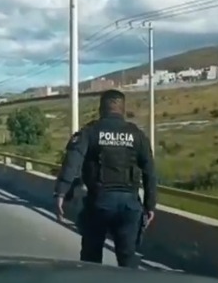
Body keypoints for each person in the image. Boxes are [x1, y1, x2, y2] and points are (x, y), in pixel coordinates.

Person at [53, 89, 157, 268]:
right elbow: (150, 170)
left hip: (99, 203)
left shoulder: (90, 132)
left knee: (91, 258)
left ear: (101, 108)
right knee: (127, 258)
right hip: (130, 205)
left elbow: (72, 162)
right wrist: (150, 205)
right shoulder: (137, 135)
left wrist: (61, 192)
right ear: (123, 109)